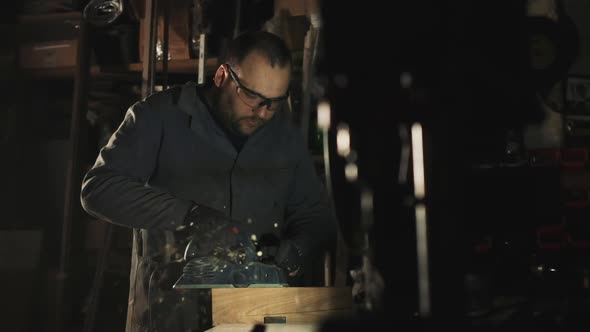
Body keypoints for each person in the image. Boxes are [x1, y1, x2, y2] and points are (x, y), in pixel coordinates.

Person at [80, 30, 337, 332]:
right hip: (173, 311)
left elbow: (314, 214)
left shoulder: (283, 134)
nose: (263, 114)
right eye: (252, 97)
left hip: (257, 313)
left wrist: (299, 249)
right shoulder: (158, 116)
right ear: (221, 77)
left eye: (274, 103)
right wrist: (190, 215)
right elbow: (98, 188)